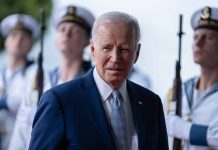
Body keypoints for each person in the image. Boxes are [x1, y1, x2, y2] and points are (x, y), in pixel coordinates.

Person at [29, 11, 168, 150]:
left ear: (137, 53)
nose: (115, 58)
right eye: (107, 48)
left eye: (124, 49)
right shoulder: (60, 101)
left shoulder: (151, 104)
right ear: (93, 49)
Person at [8, 4, 95, 150]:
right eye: (62, 29)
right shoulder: (40, 80)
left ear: (87, 41)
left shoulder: (94, 84)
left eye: (74, 30)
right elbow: (21, 129)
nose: (66, 34)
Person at [166, 6, 218, 150]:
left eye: (208, 37)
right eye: (195, 37)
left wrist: (184, 129)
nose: (198, 43)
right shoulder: (179, 91)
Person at [0, 14, 38, 149]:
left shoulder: (37, 72)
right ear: (6, 42)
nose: (18, 40)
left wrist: (4, 102)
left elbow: (28, 102)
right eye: (13, 36)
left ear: (31, 45)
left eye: (24, 37)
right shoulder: (1, 72)